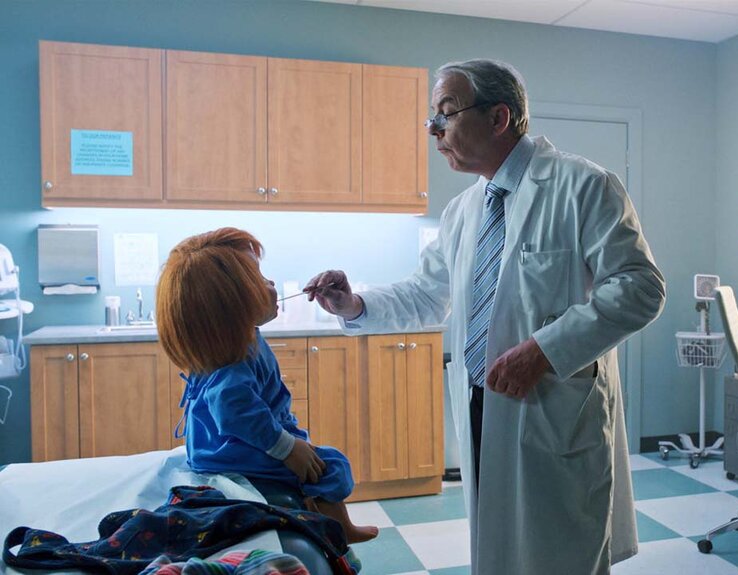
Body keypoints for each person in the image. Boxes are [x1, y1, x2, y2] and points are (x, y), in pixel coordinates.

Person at [306, 59, 666, 574]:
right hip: (482, 399)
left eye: (446, 114)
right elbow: (428, 295)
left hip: (552, 401)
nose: (434, 130)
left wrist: (543, 350)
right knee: (499, 548)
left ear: (499, 118)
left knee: (560, 550)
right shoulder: (463, 211)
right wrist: (354, 305)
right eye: (433, 117)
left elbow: (640, 288)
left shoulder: (583, 186)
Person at [155, 227, 378, 545]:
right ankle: (338, 530)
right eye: (260, 280)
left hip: (221, 446)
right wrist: (286, 448)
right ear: (232, 305)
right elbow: (237, 414)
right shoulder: (234, 360)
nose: (271, 285)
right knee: (330, 466)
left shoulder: (232, 342)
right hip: (232, 453)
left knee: (312, 460)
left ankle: (319, 513)